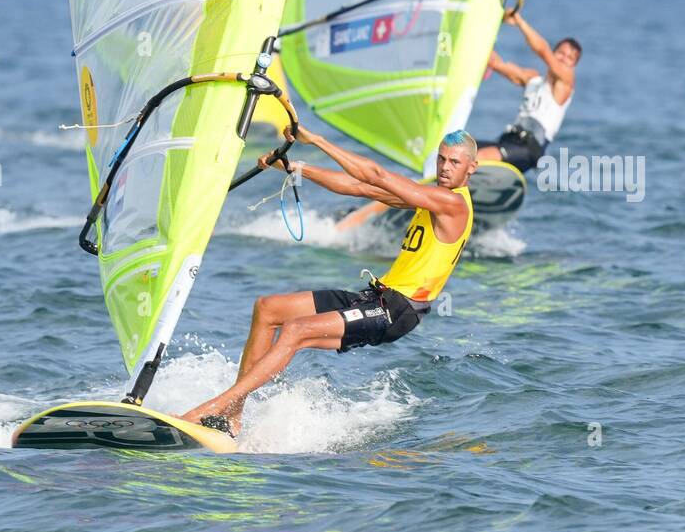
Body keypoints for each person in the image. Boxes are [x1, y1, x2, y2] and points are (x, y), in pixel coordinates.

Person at [181, 127, 476, 438]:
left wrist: (317, 141)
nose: (445, 168)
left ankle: (212, 409)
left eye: (454, 162)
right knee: (268, 309)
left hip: (397, 311)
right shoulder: (431, 198)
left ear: (472, 167)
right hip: (376, 296)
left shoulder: (452, 204)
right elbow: (358, 187)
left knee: (296, 330)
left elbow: (375, 173)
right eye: (441, 159)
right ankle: (233, 416)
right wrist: (297, 167)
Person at [477, 11, 581, 173]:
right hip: (508, 141)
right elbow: (496, 63)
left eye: (569, 58)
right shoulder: (532, 79)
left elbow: (543, 51)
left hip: (528, 149)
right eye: (561, 53)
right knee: (459, 148)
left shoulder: (566, 82)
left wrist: (519, 21)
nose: (563, 59)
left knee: (478, 158)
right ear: (555, 53)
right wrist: (479, 29)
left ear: (573, 65)